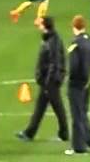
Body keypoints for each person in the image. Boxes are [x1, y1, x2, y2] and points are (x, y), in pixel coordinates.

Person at [16, 15, 68, 144]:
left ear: (45, 25)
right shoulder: (49, 38)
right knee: (40, 107)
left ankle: (64, 133)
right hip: (47, 80)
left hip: (50, 81)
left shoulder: (52, 41)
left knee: (57, 107)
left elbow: (54, 63)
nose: (38, 23)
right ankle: (29, 133)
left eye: (40, 22)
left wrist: (48, 82)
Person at [65, 15, 90, 155]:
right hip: (88, 82)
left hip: (77, 83)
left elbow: (73, 66)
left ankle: (78, 147)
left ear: (74, 27)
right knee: (82, 111)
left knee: (76, 114)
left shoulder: (75, 44)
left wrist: (70, 80)